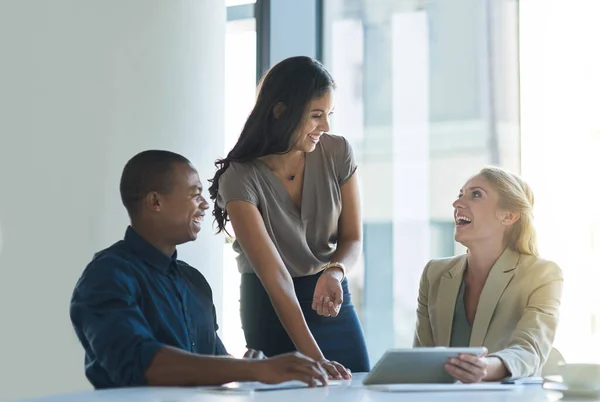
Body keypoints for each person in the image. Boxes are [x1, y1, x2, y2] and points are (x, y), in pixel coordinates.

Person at [70, 150, 328, 389]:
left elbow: (212, 361)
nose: (206, 204)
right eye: (195, 194)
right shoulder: (107, 276)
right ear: (155, 202)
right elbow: (140, 363)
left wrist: (246, 365)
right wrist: (252, 369)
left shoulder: (193, 281)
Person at [209, 56, 369, 378]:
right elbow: (275, 279)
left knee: (357, 385)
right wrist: (315, 360)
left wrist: (335, 273)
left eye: (329, 115)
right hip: (270, 304)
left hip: (328, 295)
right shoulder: (239, 178)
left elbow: (352, 238)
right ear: (281, 111)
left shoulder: (337, 152)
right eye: (315, 116)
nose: (325, 127)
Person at [413, 166, 563, 382]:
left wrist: (488, 367)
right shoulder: (434, 273)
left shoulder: (543, 274)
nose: (457, 204)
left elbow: (530, 348)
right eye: (460, 195)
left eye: (476, 195)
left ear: (508, 216)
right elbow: (421, 359)